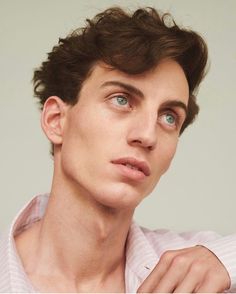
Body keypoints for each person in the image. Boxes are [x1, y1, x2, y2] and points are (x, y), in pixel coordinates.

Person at [0, 6, 235, 293]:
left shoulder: (202, 273)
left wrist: (225, 260)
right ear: (56, 121)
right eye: (121, 100)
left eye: (169, 117)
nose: (148, 135)